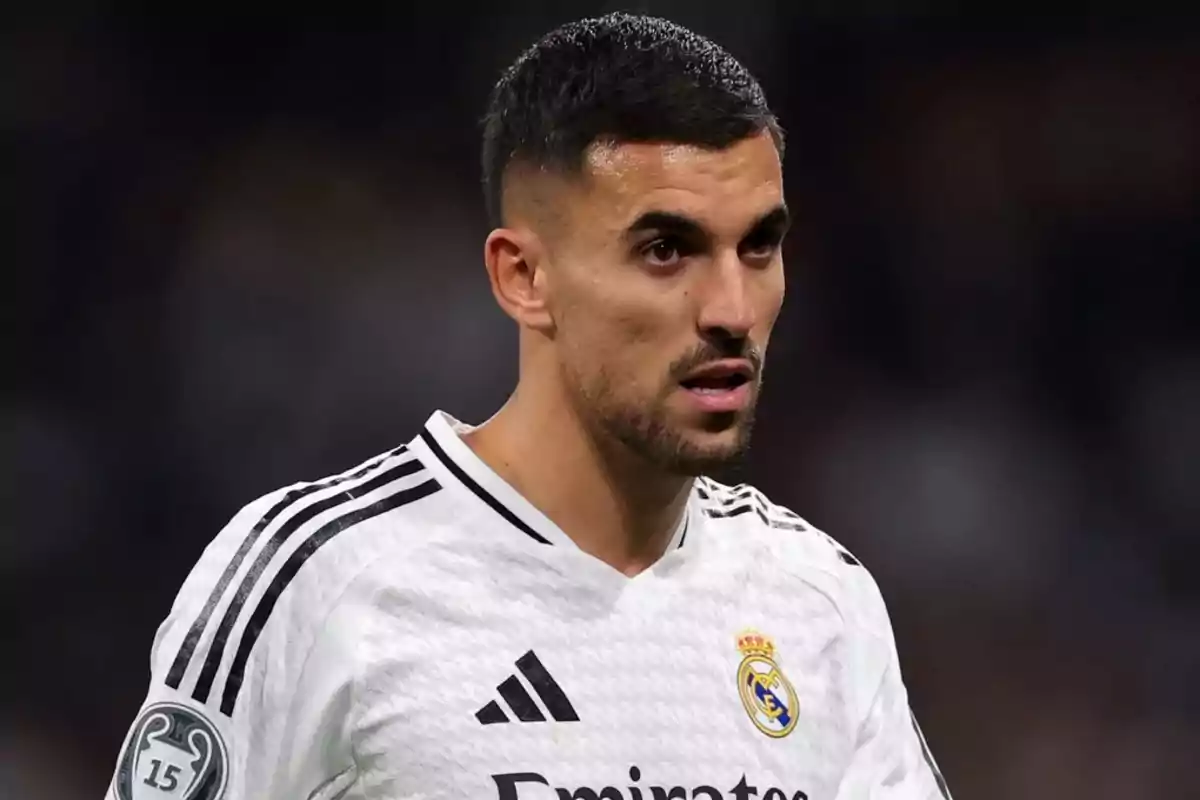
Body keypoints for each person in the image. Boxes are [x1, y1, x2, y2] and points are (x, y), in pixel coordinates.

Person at [107, 13, 951, 800]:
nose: (732, 307)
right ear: (524, 277)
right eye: (666, 249)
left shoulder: (818, 601)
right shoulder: (319, 575)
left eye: (759, 245)